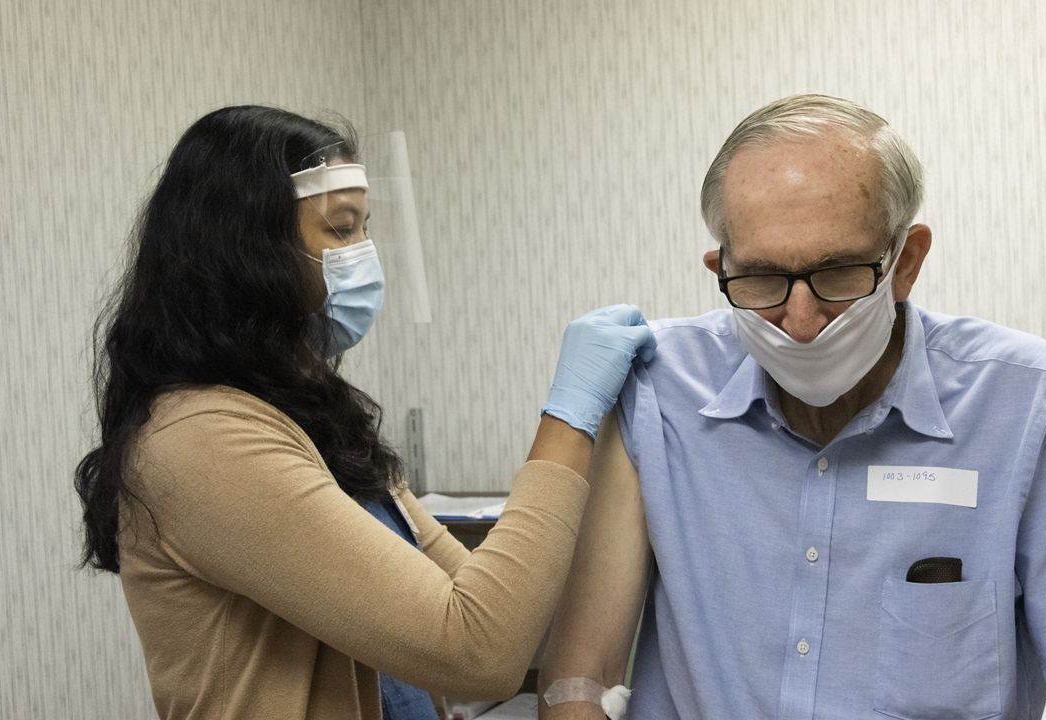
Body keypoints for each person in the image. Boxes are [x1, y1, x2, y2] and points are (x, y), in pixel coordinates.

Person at [538, 94, 1046, 720]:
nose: (800, 321)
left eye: (837, 275)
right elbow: (578, 680)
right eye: (762, 278)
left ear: (905, 261)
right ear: (720, 266)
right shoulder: (660, 392)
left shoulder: (1025, 405)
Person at [74, 105, 656, 720]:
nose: (365, 256)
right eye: (342, 230)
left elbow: (492, 603)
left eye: (365, 229)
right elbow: (479, 649)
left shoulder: (311, 419)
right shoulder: (202, 440)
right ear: (246, 250)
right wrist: (567, 416)